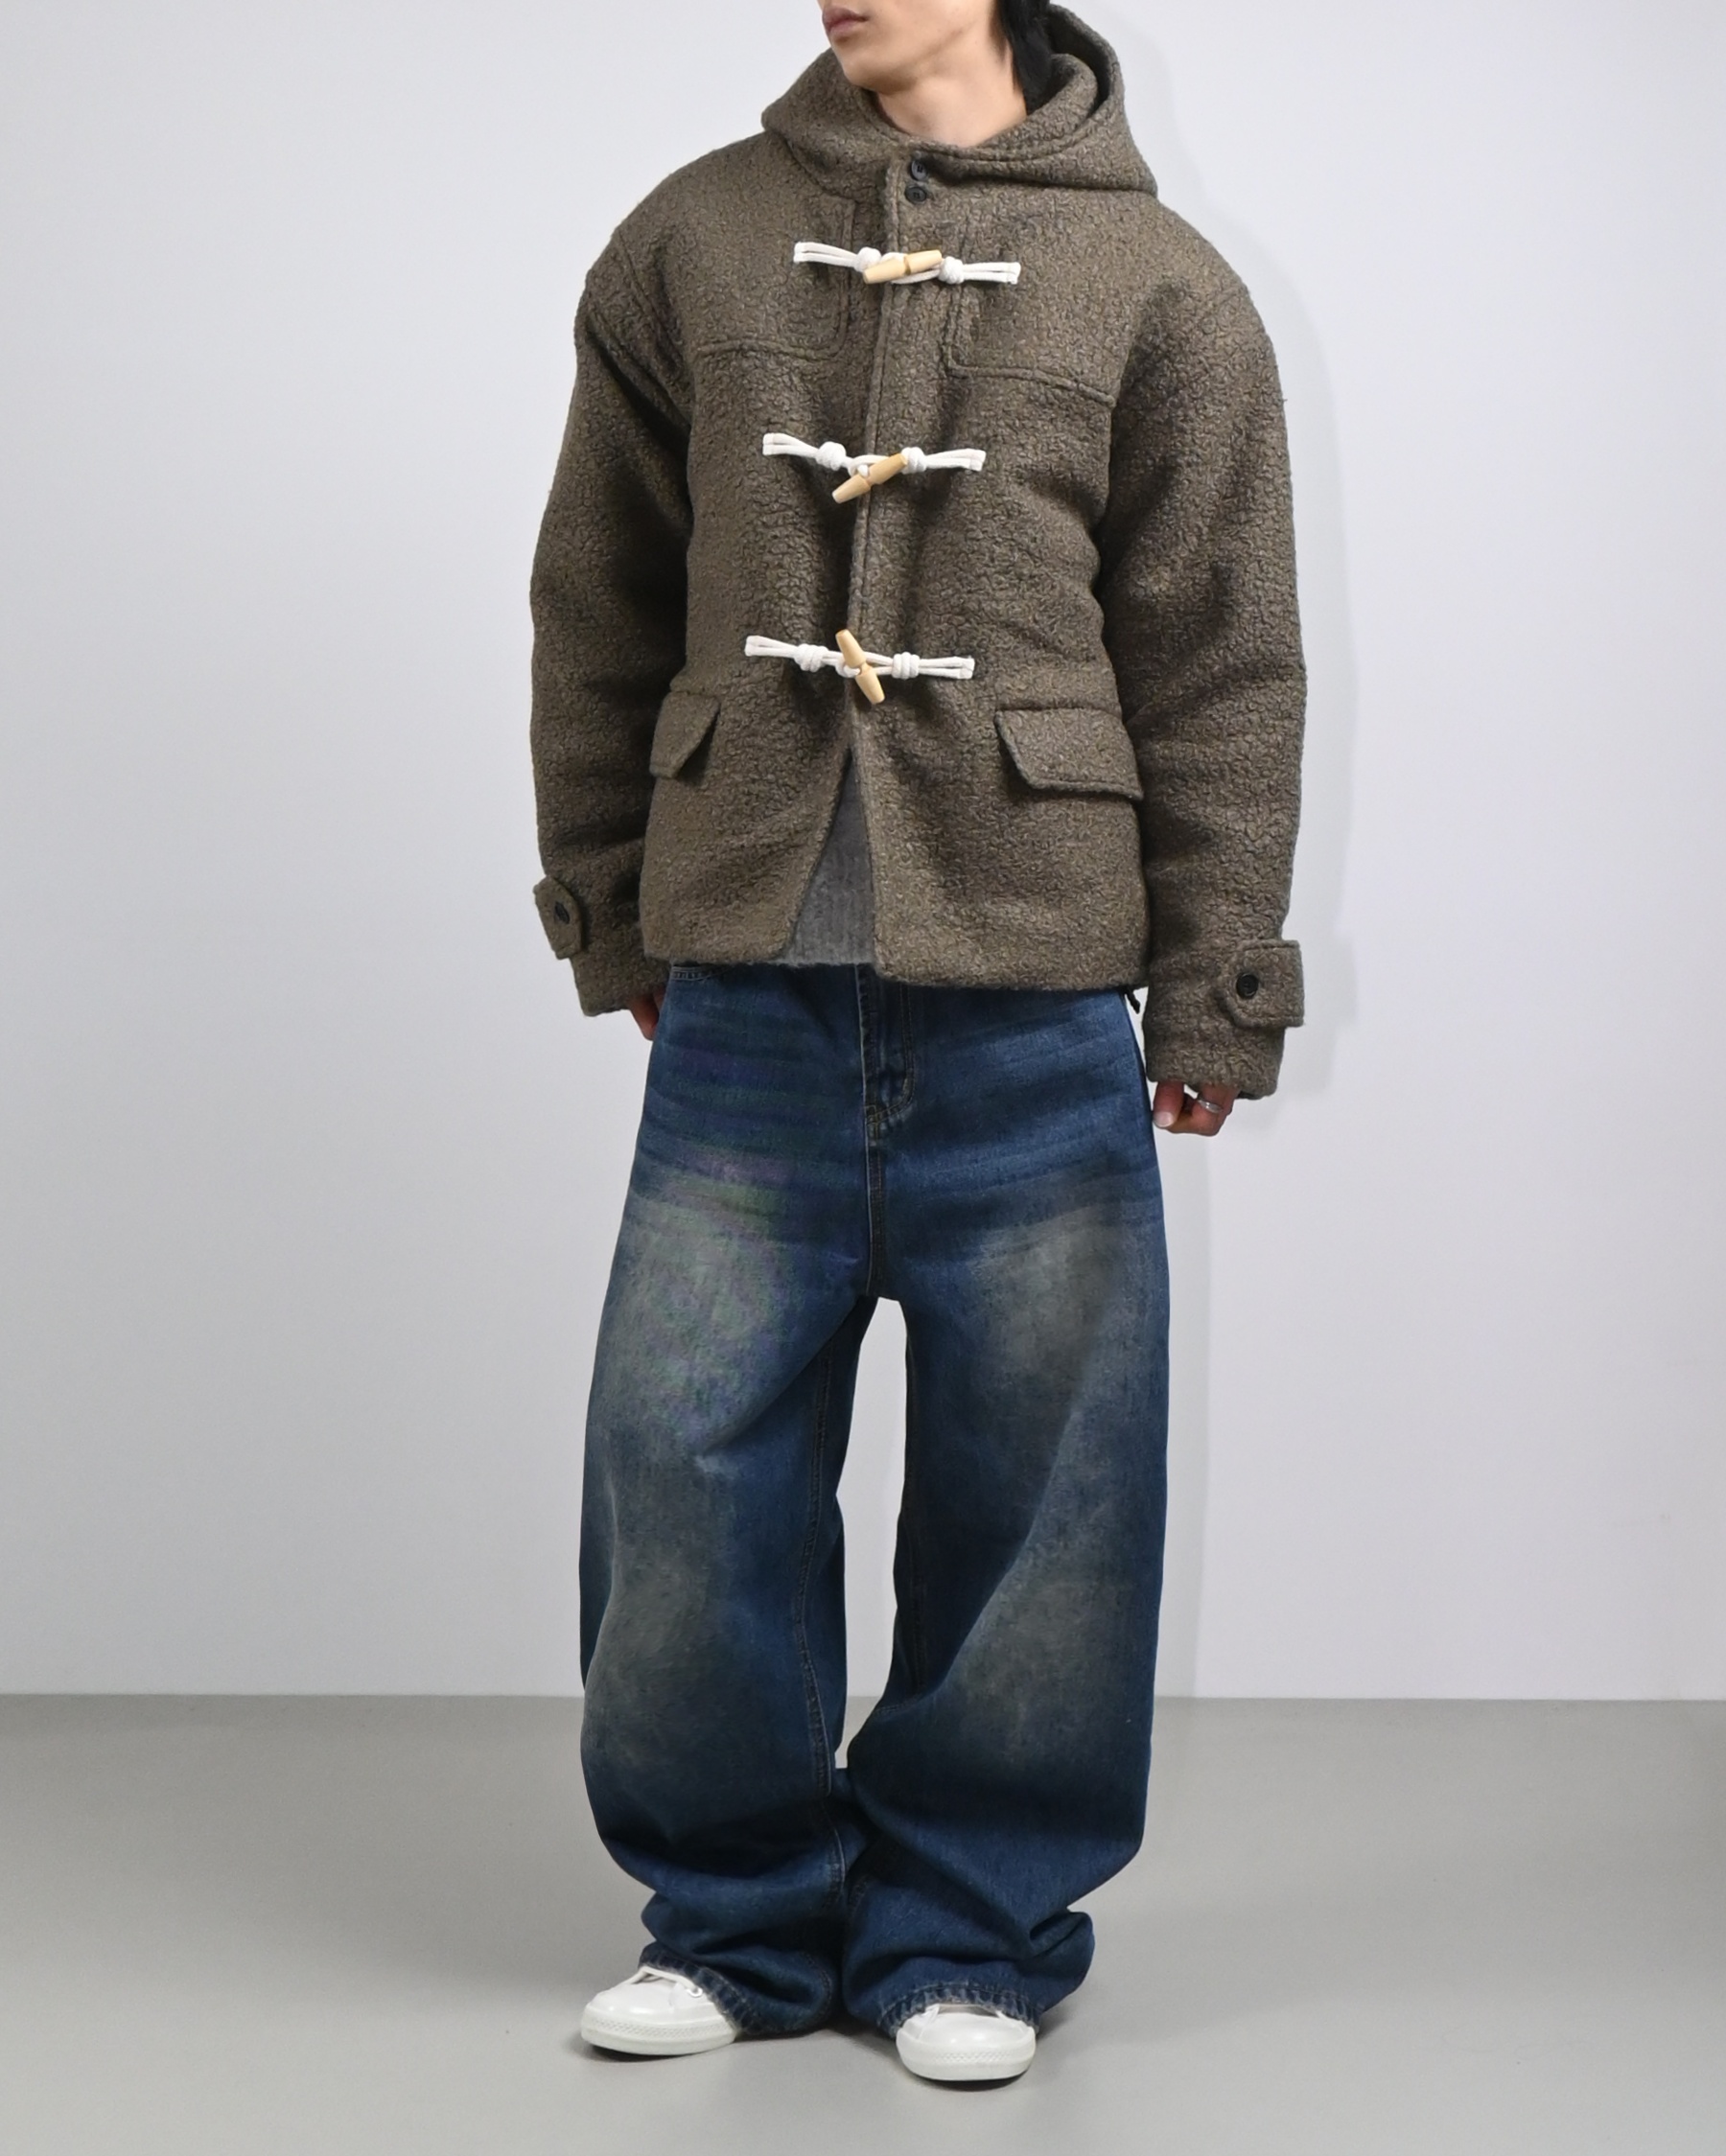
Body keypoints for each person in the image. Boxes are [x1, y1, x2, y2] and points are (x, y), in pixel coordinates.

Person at [528, 0, 1304, 2085]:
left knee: (1042, 1495)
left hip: (1035, 998)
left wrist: (1213, 976)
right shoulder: (691, 239)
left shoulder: (1162, 285)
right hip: (750, 993)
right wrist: (612, 893)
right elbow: (597, 597)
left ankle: (971, 1923)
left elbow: (1222, 657)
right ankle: (734, 1918)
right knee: (681, 1469)